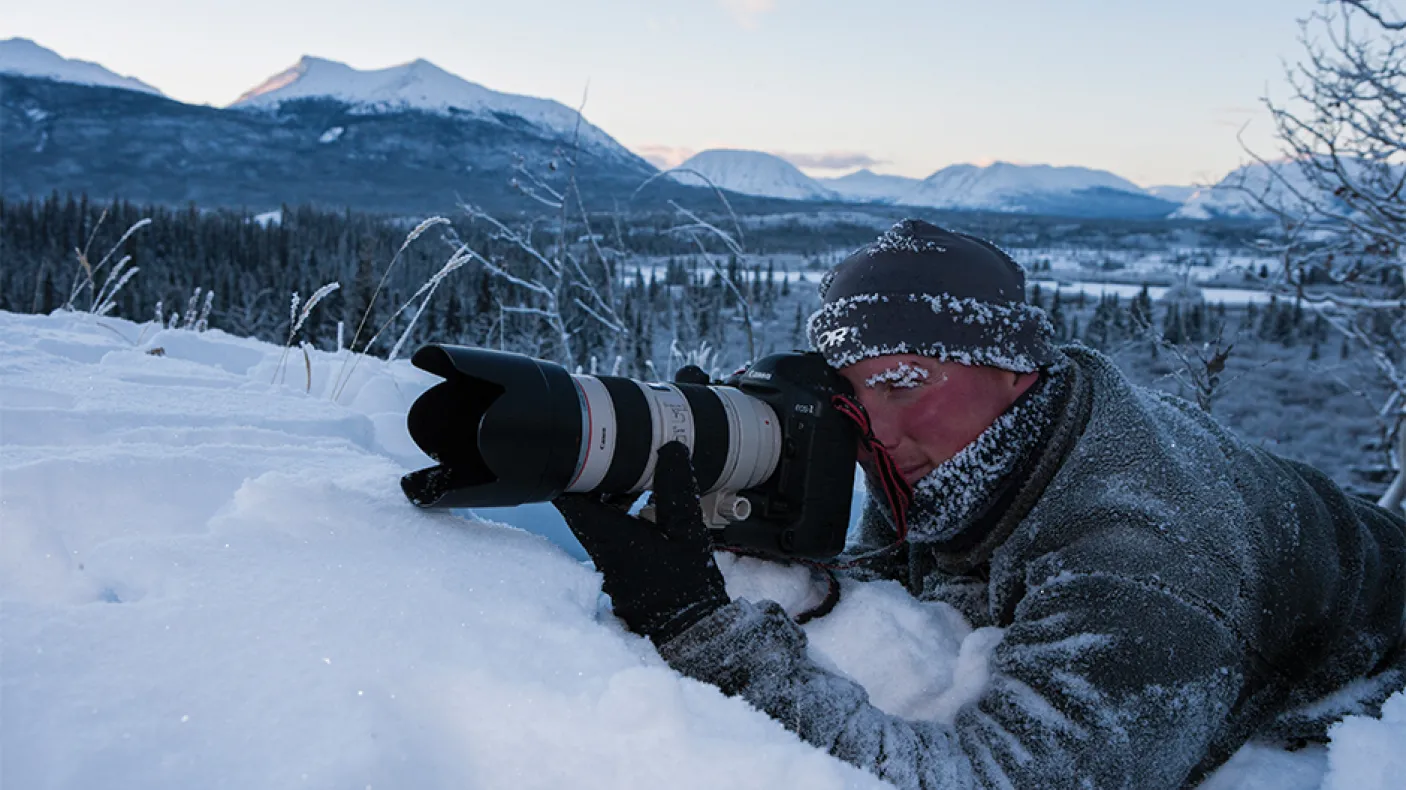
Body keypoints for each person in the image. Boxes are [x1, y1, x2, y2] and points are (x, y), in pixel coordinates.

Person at [552, 219, 1406, 789]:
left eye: (902, 383)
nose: (874, 432)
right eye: (854, 396)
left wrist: (706, 632)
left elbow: (987, 781)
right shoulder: (973, 446)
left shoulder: (1146, 554)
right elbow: (900, 592)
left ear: (1011, 363)